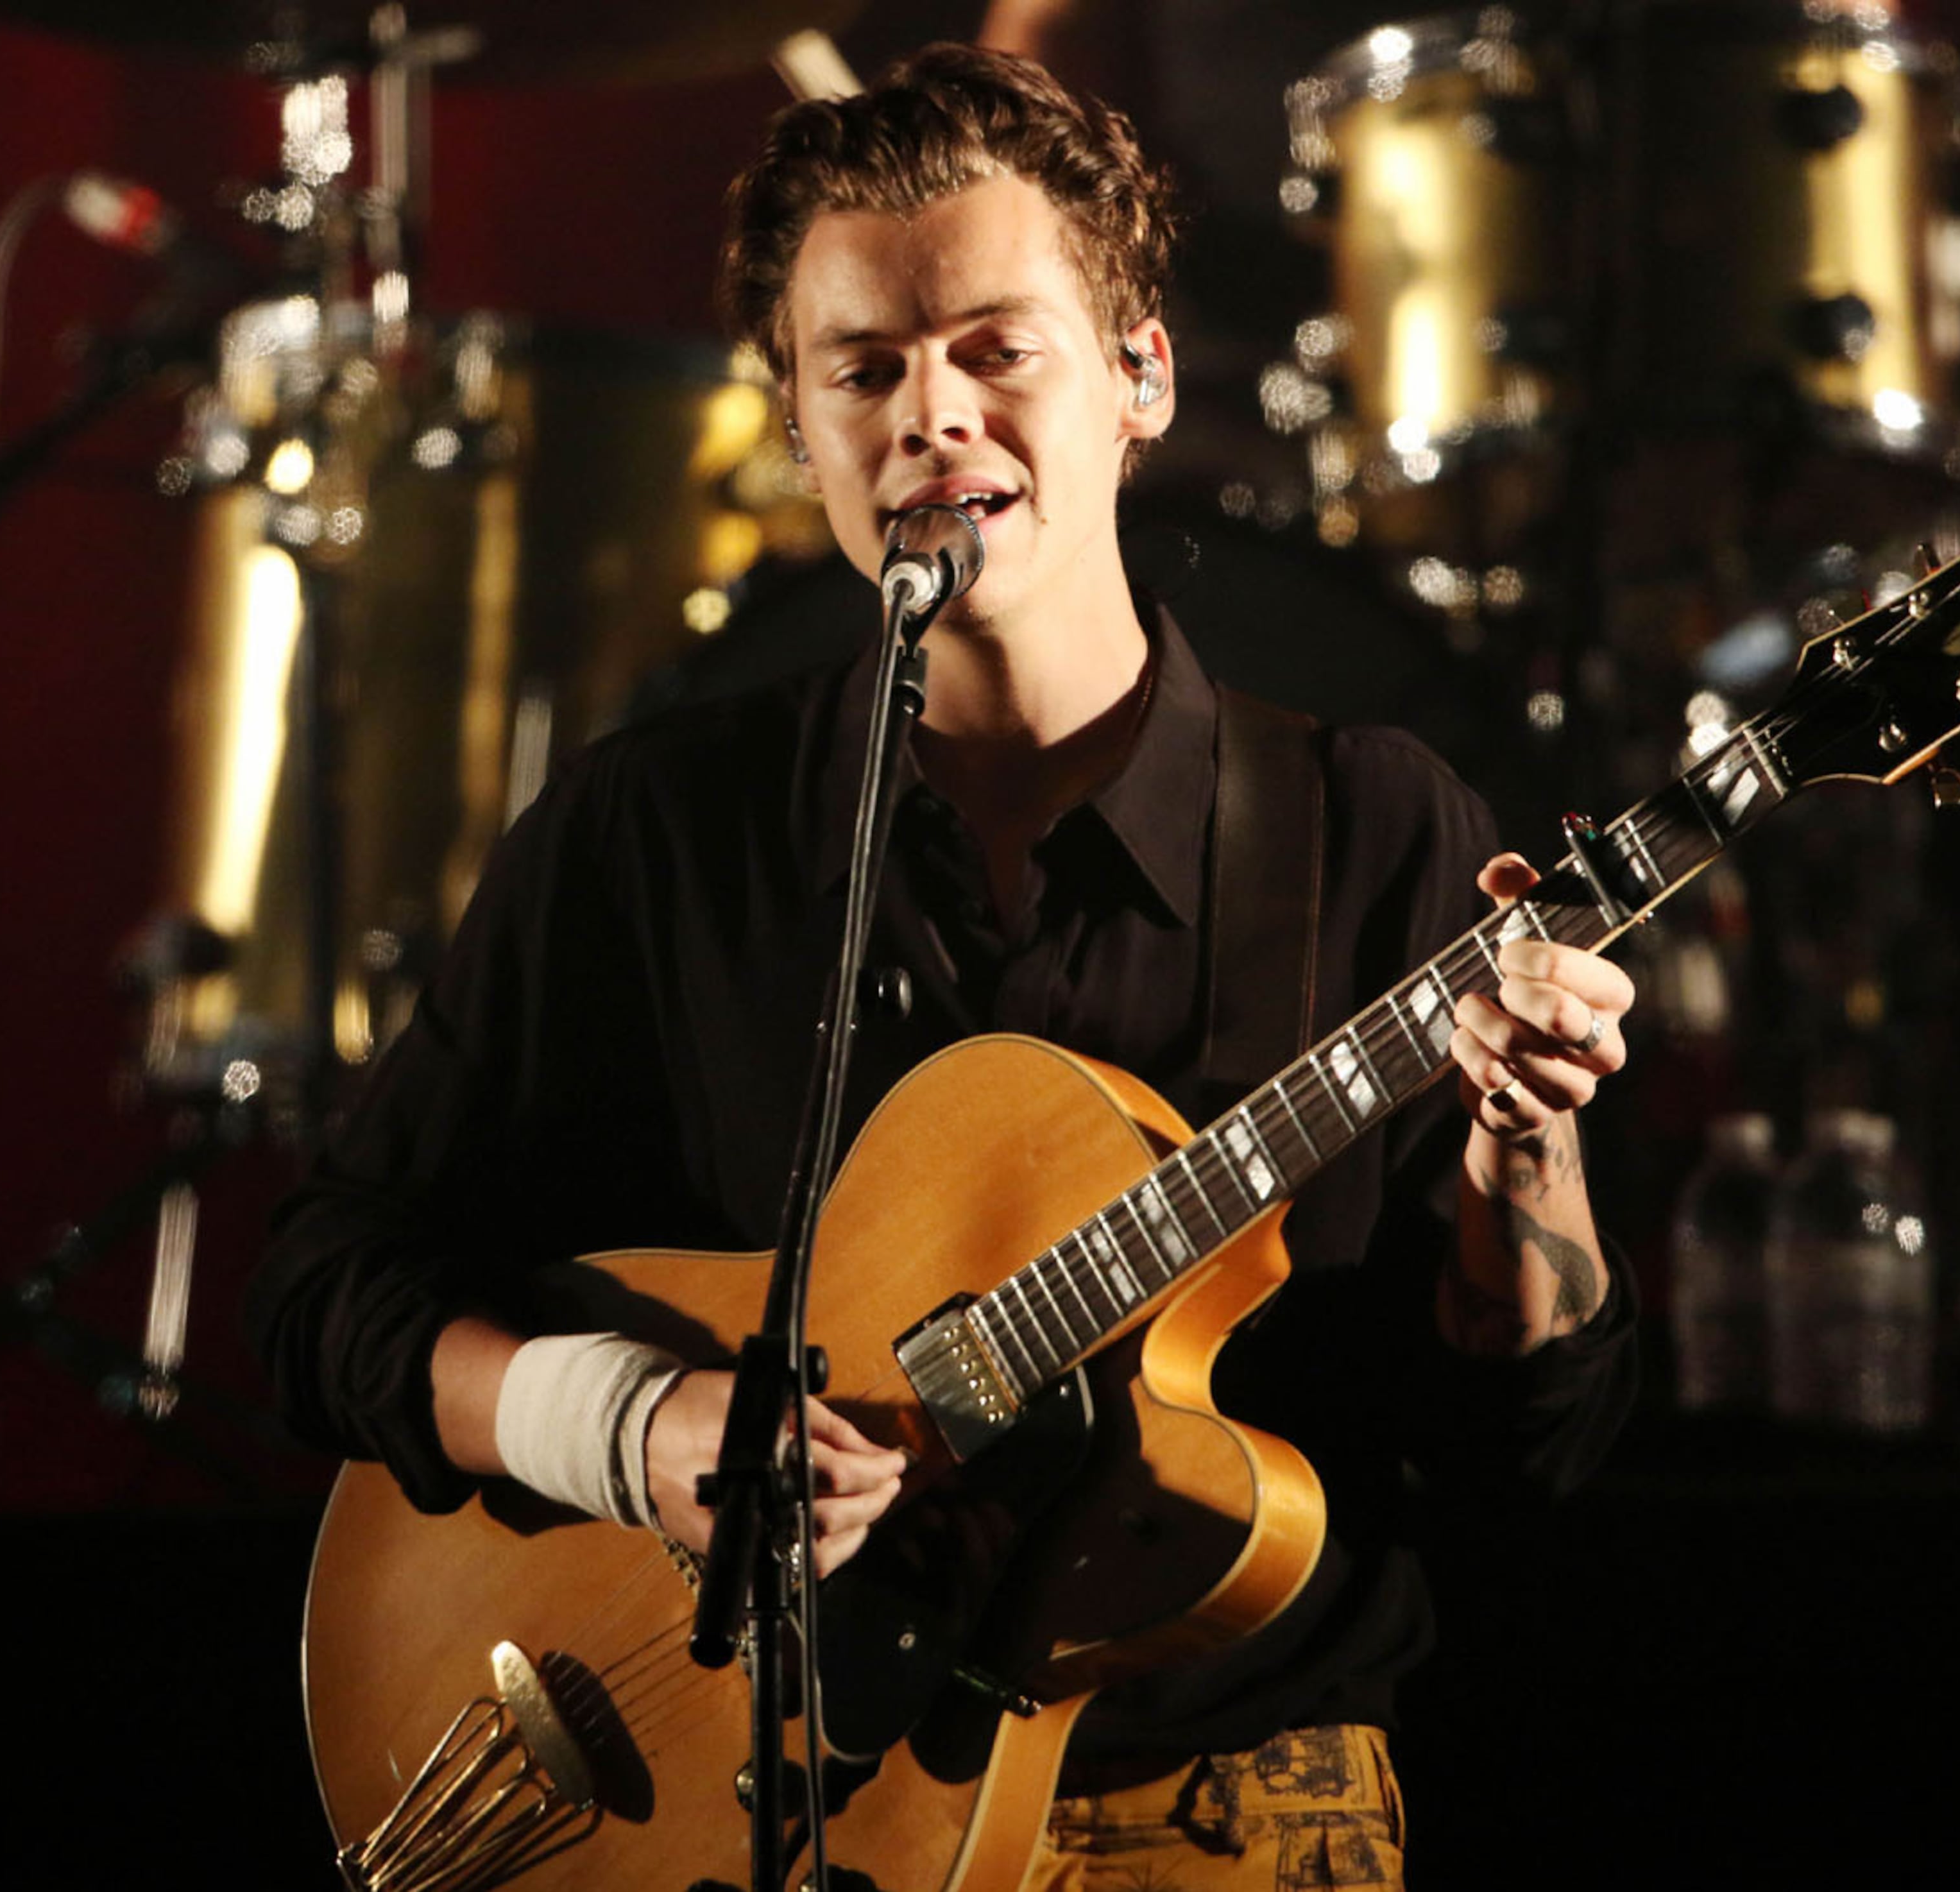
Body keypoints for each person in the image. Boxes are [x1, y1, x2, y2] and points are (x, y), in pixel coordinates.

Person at [251, 43, 1638, 1889]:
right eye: (869, 368)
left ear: (1140, 379)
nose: (935, 417)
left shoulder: (1369, 828)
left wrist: (1524, 1161)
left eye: (1000, 347)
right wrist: (631, 1425)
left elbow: (1517, 1458)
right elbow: (328, 1294)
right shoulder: (661, 835)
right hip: (746, 1826)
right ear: (797, 421)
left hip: (1219, 1818)